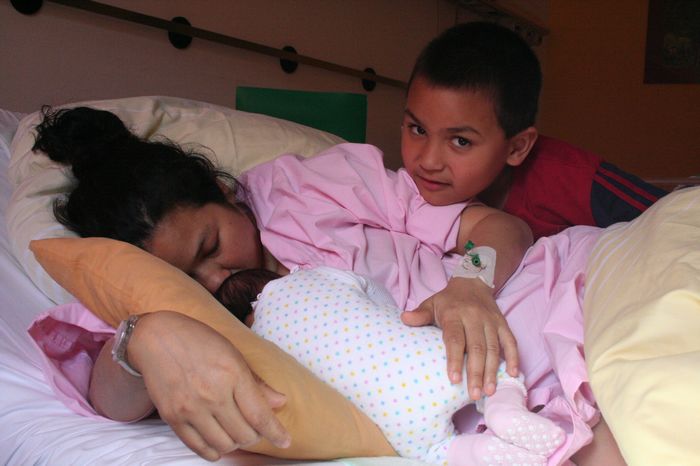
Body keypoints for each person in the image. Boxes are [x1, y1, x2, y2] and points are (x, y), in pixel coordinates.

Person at [31, 106, 533, 462]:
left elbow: (500, 228)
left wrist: (472, 283)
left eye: (210, 246)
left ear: (224, 192)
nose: (215, 279)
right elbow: (109, 403)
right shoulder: (152, 292)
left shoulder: (308, 189)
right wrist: (146, 339)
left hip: (512, 316)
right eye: (187, 279)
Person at [399, 21, 667, 241]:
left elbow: (677, 216)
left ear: (517, 148)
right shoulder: (399, 190)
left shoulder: (574, 180)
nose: (428, 162)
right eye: (418, 129)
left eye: (460, 141)